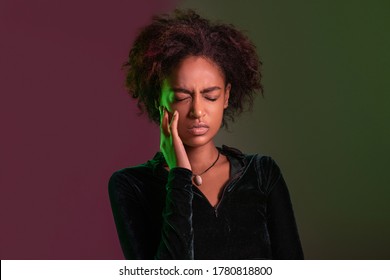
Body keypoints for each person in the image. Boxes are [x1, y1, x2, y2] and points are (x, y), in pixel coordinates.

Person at [108, 9, 304, 260]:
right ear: (160, 100)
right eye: (182, 97)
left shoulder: (262, 174)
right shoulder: (131, 185)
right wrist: (179, 175)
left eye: (210, 96)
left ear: (227, 96)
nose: (198, 111)